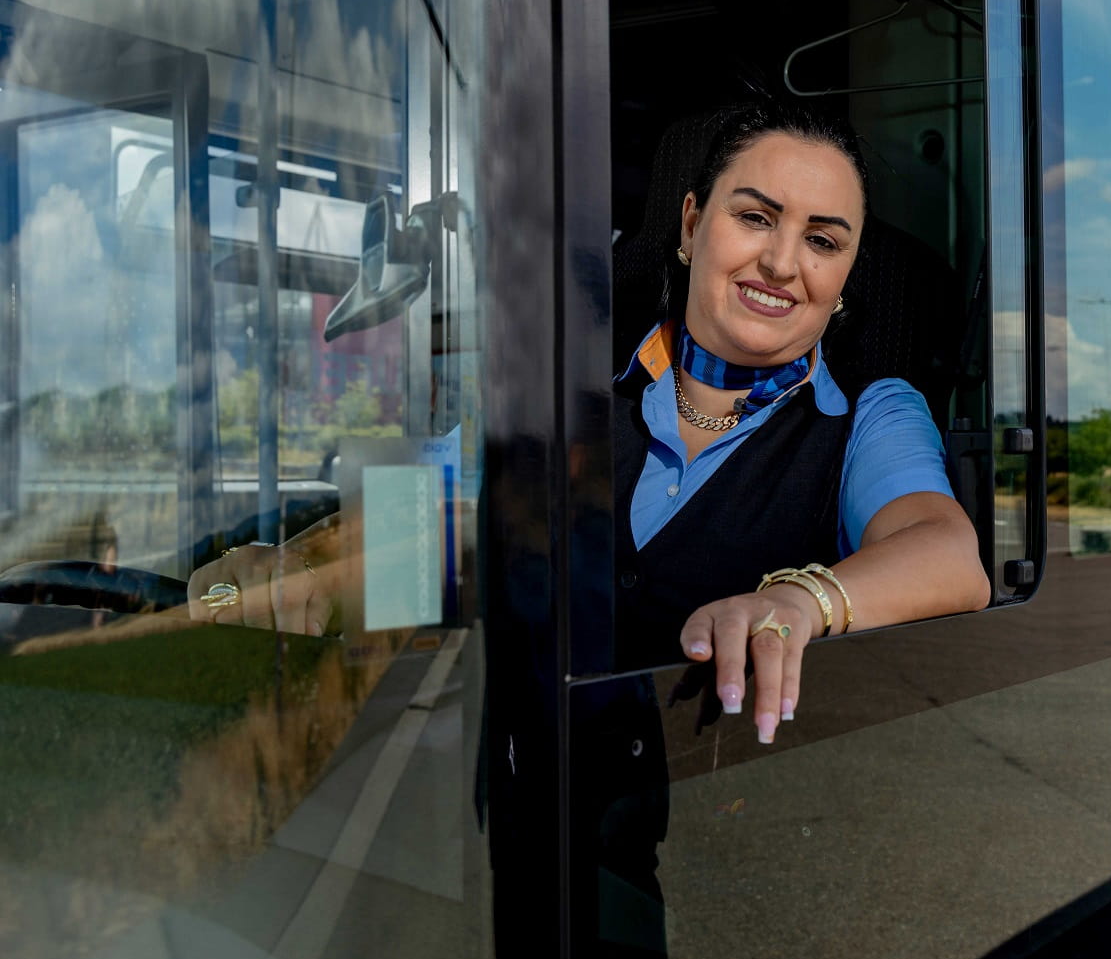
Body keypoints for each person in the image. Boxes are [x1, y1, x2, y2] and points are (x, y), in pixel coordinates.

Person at [187, 98, 991, 746]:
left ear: (846, 279)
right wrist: (269, 570)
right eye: (755, 218)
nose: (783, 263)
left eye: (822, 240)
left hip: (723, 826)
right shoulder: (557, 402)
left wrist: (799, 603)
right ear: (688, 226)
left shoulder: (870, 414)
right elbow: (394, 536)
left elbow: (951, 558)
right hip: (494, 814)